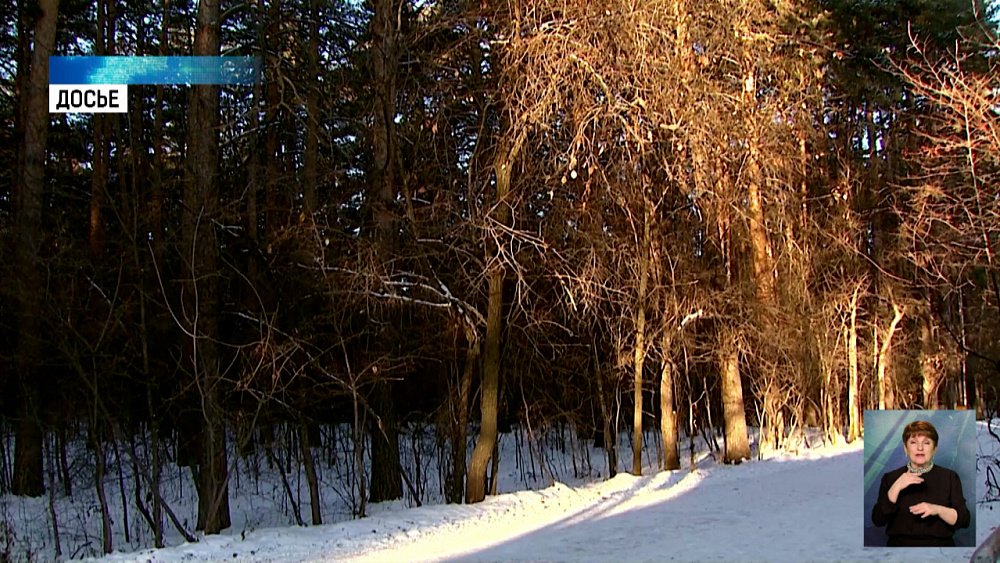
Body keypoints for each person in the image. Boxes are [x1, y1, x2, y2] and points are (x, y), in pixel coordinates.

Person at [871, 420, 971, 547]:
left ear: (935, 449)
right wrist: (896, 487)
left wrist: (937, 509)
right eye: (913, 442)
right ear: (905, 448)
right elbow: (878, 520)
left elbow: (964, 520)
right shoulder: (890, 478)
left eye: (926, 443)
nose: (920, 448)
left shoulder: (950, 477)